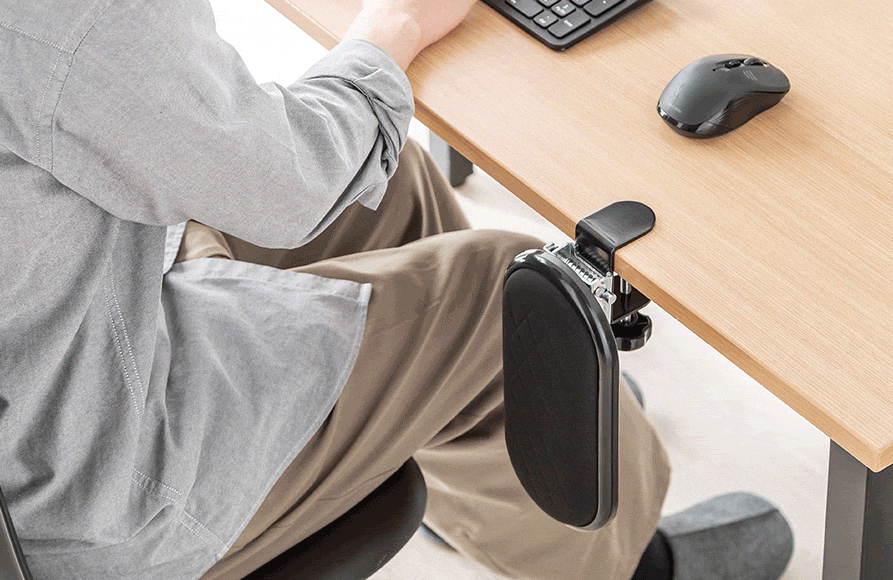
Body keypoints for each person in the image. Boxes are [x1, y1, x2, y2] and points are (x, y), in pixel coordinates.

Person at [0, 0, 794, 578]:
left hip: (35, 381)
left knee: (383, 184)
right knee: (508, 298)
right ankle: (630, 564)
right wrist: (394, 25)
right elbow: (288, 182)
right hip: (84, 496)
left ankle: (472, 456)